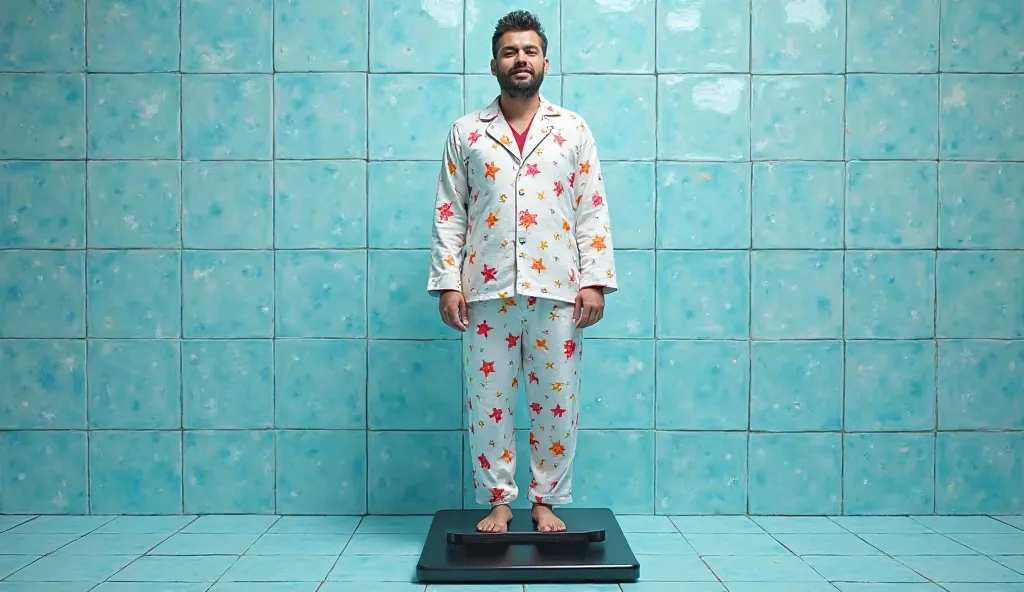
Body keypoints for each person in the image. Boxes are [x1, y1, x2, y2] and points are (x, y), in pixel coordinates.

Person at [426, 10, 617, 534]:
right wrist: (447, 283)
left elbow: (590, 208)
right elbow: (451, 212)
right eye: (510, 52)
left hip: (557, 288)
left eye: (529, 51)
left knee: (557, 398)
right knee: (488, 402)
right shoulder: (466, 133)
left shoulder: (572, 130)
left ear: (545, 62)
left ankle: (546, 500)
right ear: (494, 64)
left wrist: (594, 280)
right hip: (484, 290)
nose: (520, 60)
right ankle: (499, 501)